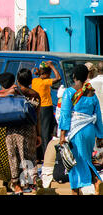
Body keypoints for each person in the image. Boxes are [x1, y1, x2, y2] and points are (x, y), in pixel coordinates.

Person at [59, 64, 103, 195]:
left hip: (75, 132)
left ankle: (83, 187)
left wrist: (62, 135)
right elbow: (98, 116)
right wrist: (100, 134)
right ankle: (92, 184)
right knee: (86, 159)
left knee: (74, 161)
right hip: (89, 130)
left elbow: (65, 115)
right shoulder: (91, 93)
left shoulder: (69, 92)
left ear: (74, 76)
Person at [2, 69, 41, 195]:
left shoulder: (13, 92)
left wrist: (9, 90)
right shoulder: (35, 95)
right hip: (29, 129)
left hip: (12, 129)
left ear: (18, 80)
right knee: (29, 156)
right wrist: (38, 134)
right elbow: (37, 117)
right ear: (30, 81)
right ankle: (32, 182)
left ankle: (17, 185)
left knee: (13, 157)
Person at [32, 61, 61, 155]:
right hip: (46, 108)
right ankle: (46, 154)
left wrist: (38, 73)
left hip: (36, 108)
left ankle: (40, 154)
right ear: (47, 73)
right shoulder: (46, 82)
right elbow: (58, 78)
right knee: (46, 133)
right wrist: (52, 66)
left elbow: (38, 75)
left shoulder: (35, 81)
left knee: (39, 132)